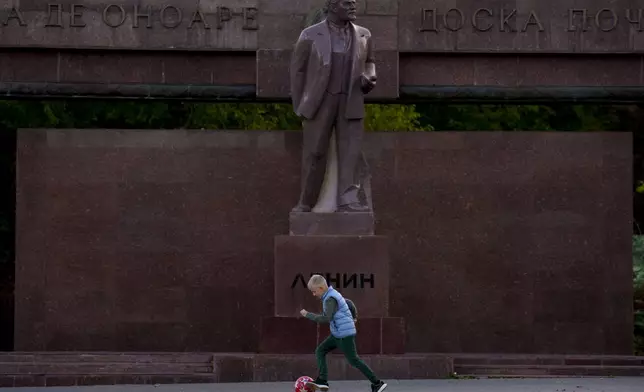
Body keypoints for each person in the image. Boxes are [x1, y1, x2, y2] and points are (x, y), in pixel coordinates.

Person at [289, 0, 377, 213]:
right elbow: (297, 71)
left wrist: (369, 76)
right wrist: (301, 104)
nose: (353, 7)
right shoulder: (309, 35)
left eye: (354, 3)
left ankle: (349, 199)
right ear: (332, 6)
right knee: (315, 152)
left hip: (351, 99)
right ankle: (306, 201)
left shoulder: (364, 34)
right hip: (320, 102)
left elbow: (370, 62)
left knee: (350, 152)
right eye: (347, 3)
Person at [300, 275, 387, 392]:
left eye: (314, 291)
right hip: (337, 334)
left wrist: (307, 314)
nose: (314, 294)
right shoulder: (332, 293)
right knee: (320, 350)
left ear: (321, 288)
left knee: (354, 360)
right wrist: (354, 316)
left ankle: (377, 383)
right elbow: (349, 302)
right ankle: (322, 381)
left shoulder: (330, 299)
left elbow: (326, 318)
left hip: (344, 335)